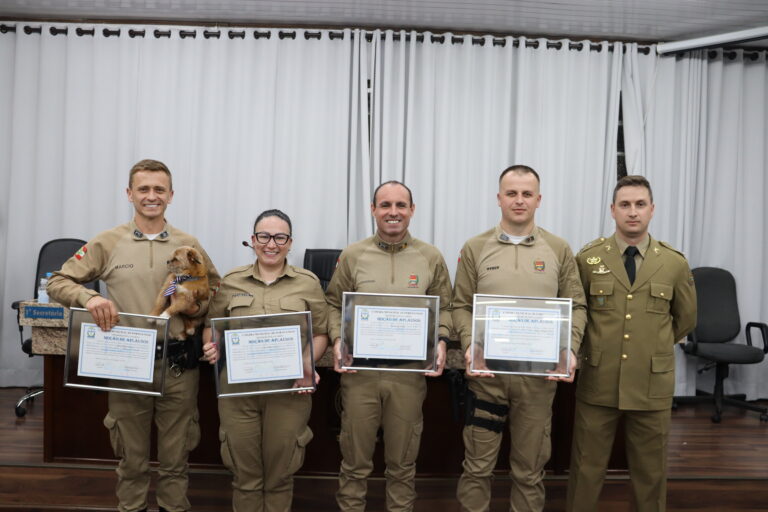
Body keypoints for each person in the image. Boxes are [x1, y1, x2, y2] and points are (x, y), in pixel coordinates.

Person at [47, 159, 220, 512]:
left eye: (159, 189)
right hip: (128, 366)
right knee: (132, 464)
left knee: (175, 464)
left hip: (177, 366)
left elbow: (215, 290)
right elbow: (57, 281)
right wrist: (90, 296)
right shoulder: (108, 242)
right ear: (129, 194)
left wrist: (196, 310)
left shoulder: (189, 244)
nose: (151, 196)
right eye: (143, 189)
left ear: (171, 195)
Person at [453, 165, 587, 512]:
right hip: (486, 381)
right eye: (511, 193)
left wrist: (568, 349)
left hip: (538, 381)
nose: (519, 200)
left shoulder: (558, 249)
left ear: (538, 200)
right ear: (499, 198)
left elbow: (577, 306)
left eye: (527, 194)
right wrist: (471, 345)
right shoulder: (475, 247)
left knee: (530, 472)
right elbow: (460, 305)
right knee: (477, 468)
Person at [567, 175, 697, 512]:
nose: (633, 212)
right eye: (625, 205)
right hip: (599, 381)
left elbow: (685, 320)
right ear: (612, 210)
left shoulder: (673, 263)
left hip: (651, 383)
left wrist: (650, 346)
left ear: (652, 210)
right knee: (585, 469)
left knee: (650, 473)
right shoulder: (589, 258)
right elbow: (577, 311)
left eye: (640, 204)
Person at [326, 180, 453, 512]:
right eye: (385, 205)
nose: (393, 212)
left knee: (402, 466)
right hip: (360, 377)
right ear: (373, 210)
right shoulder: (354, 255)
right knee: (354, 465)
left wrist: (440, 339)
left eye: (400, 205)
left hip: (409, 378)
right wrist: (339, 339)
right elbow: (333, 305)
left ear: (412, 210)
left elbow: (447, 307)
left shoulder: (430, 256)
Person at [200, 209, 329, 512]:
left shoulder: (308, 283)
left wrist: (308, 364)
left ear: (290, 242)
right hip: (237, 395)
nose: (271, 244)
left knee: (280, 476)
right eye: (264, 236)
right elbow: (212, 327)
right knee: (244, 476)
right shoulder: (230, 282)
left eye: (279, 237)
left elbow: (321, 332)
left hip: (288, 393)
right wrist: (211, 346)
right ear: (253, 240)